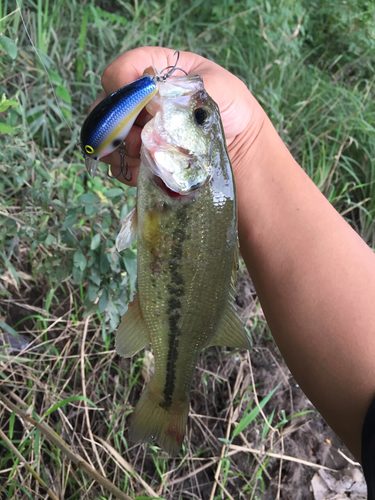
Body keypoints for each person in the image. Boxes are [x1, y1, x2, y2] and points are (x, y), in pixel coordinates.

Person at [90, 46, 375, 496]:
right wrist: (247, 144)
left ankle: (167, 399)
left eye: (202, 120)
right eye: (205, 119)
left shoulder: (184, 179)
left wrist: (242, 142)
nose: (200, 110)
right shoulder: (188, 175)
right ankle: (168, 398)